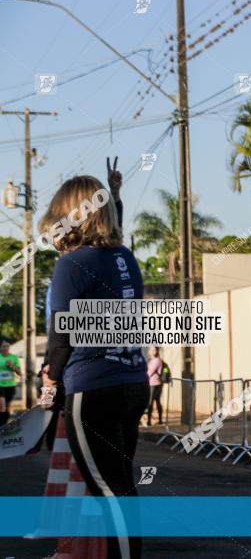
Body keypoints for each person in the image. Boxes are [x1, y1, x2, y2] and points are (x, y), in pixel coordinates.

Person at [39, 175, 149, 559]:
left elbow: (61, 333)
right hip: (134, 383)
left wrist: (50, 378)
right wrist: (115, 198)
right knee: (121, 486)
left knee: (107, 490)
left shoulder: (72, 263)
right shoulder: (124, 257)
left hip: (94, 388)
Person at [0, 341, 22, 426]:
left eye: (7, 347)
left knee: (7, 407)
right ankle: (1, 424)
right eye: (3, 346)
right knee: (2, 404)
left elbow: (19, 373)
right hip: (0, 385)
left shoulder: (14, 358)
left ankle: (4, 424)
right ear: (0, 348)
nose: (5, 348)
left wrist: (12, 366)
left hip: (10, 385)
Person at [145, 346, 166, 426]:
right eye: (150, 349)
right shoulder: (152, 360)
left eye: (153, 349)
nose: (151, 351)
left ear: (156, 351)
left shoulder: (156, 360)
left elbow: (149, 372)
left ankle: (149, 421)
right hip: (152, 383)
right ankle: (158, 420)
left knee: (151, 402)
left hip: (155, 384)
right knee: (156, 401)